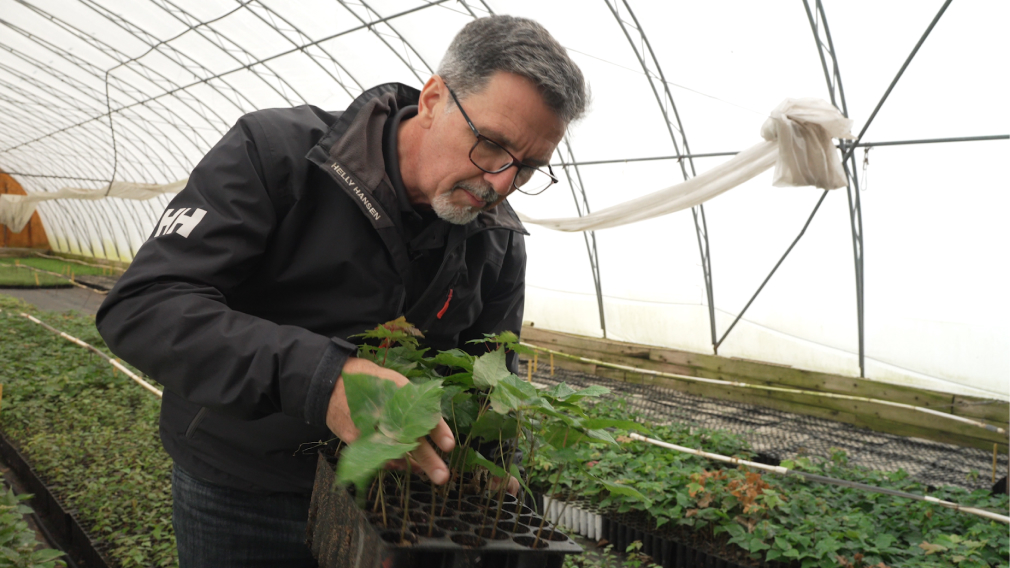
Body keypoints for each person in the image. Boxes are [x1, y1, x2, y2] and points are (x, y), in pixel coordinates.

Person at [97, 14, 588, 568]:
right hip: (243, 493)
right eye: (491, 145)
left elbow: (488, 378)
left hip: (391, 507)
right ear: (432, 100)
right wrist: (324, 380)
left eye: (527, 167)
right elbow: (146, 306)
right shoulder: (279, 155)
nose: (501, 182)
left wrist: (498, 473)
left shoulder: (496, 239)